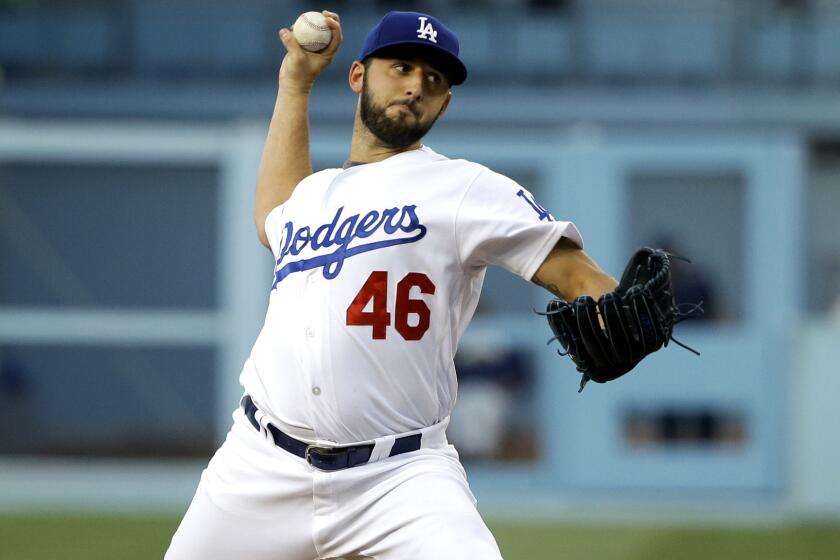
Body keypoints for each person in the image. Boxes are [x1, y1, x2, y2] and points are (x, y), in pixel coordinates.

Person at [165, 10, 617, 559]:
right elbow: (271, 216)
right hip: (261, 465)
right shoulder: (314, 196)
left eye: (433, 80)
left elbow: (577, 273)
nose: (415, 86)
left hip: (401, 478)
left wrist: (609, 304)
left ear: (445, 103)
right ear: (358, 76)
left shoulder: (463, 187)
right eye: (400, 67)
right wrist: (296, 82)